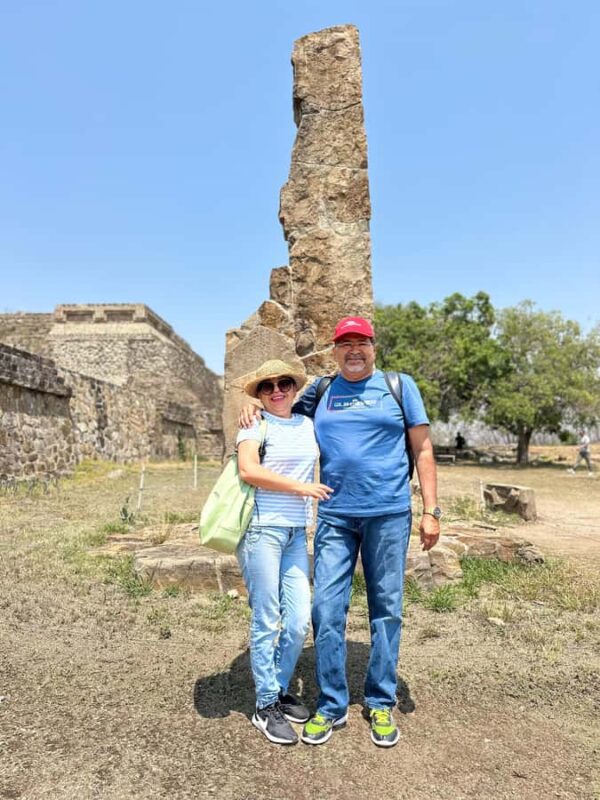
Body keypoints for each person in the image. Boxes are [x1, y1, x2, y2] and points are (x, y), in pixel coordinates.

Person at [240, 317, 440, 748]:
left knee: (386, 609)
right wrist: (255, 406)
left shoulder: (398, 387)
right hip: (334, 516)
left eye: (361, 342)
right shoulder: (322, 391)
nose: (354, 350)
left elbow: (422, 448)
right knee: (326, 611)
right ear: (334, 350)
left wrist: (432, 510)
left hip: (388, 514)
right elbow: (282, 410)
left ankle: (381, 701)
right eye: (345, 343)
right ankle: (331, 704)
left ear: (373, 346)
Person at [235, 359, 333, 746]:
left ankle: (275, 689)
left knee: (296, 621)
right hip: (261, 530)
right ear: (258, 394)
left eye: (284, 384)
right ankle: (265, 706)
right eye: (267, 386)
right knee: (267, 618)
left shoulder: (306, 424)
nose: (277, 390)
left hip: (295, 533)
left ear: (295, 388)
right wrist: (302, 488)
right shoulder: (253, 424)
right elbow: (248, 470)